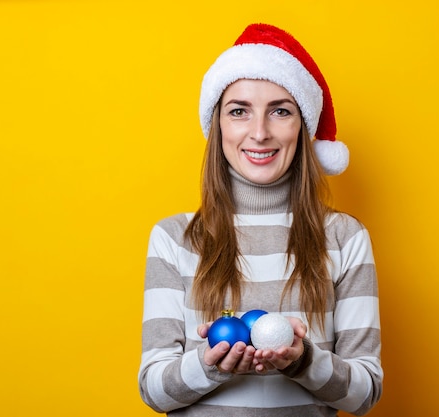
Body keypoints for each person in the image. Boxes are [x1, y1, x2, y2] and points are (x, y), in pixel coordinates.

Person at [139, 23, 382, 416]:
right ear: (218, 125)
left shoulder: (344, 238)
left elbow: (364, 393)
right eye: (239, 111)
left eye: (280, 111)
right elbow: (153, 389)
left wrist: (303, 361)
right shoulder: (175, 238)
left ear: (302, 127)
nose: (259, 132)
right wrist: (208, 365)